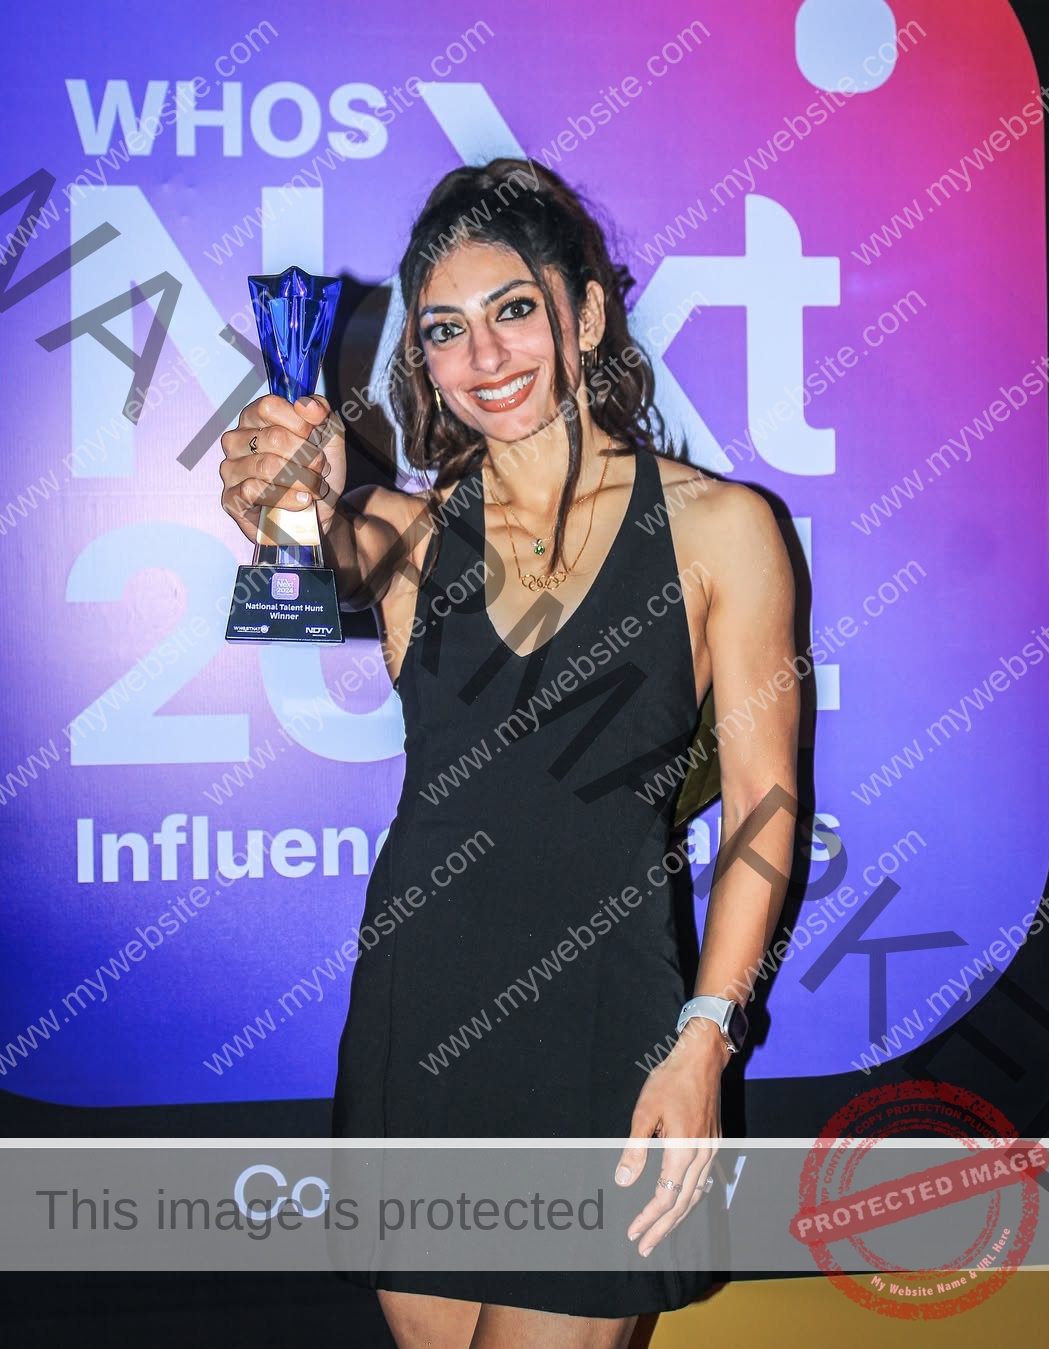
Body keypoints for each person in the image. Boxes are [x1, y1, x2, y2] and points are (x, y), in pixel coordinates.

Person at [219, 158, 798, 1349]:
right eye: (446, 330)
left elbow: (763, 809)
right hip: (420, 1012)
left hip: (607, 1029)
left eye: (514, 310)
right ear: (420, 360)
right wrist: (276, 488)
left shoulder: (721, 528)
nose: (484, 358)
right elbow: (309, 536)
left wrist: (703, 1039)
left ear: (586, 313)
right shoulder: (407, 534)